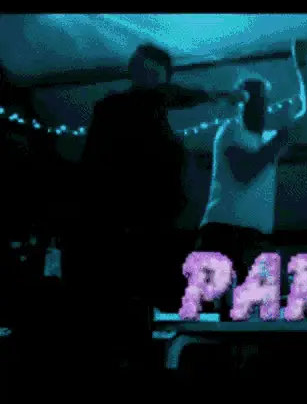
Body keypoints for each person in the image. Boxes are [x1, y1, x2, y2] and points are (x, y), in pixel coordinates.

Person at [73, 43, 245, 369]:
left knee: (149, 299)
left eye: (154, 71)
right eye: (142, 68)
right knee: (130, 299)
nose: (147, 76)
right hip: (125, 222)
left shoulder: (154, 106)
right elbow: (95, 166)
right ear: (133, 70)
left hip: (157, 223)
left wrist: (218, 95)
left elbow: (175, 95)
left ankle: (146, 353)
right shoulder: (117, 107)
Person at [197, 39, 307, 320]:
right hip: (223, 235)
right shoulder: (230, 131)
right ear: (241, 103)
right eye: (256, 98)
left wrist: (302, 67)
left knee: (255, 320)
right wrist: (280, 139)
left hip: (256, 238)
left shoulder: (267, 141)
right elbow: (245, 172)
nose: (263, 105)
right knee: (218, 320)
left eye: (264, 99)